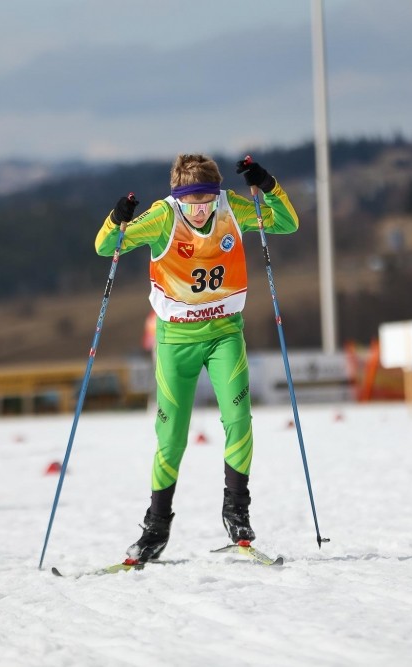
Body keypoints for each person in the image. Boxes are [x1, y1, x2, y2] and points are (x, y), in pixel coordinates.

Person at [94, 154, 299, 561]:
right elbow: (104, 247)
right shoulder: (163, 217)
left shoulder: (231, 208)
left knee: (239, 420)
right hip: (176, 342)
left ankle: (237, 512)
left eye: (206, 199)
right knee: (171, 437)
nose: (201, 209)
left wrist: (268, 185)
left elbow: (287, 222)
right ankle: (156, 526)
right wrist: (116, 218)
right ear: (178, 196)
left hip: (224, 334)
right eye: (192, 201)